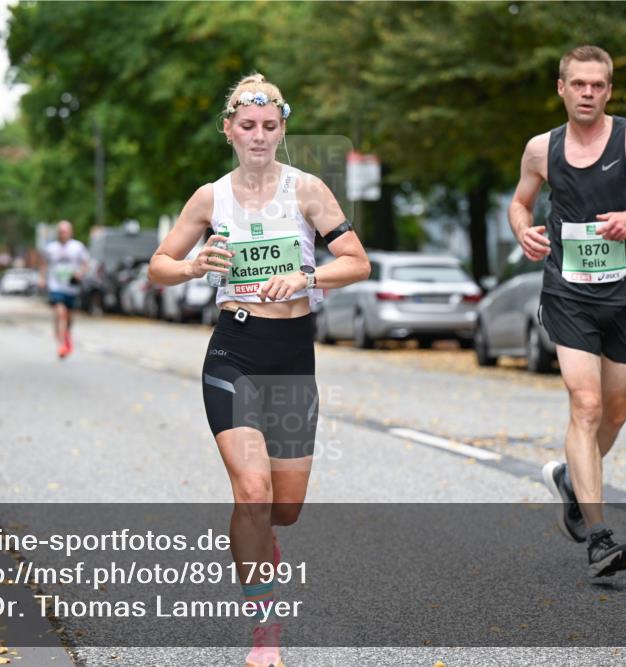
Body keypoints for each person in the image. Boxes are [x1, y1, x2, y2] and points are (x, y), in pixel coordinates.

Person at [149, 73, 370, 667]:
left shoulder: (308, 191)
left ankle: (260, 539)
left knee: (285, 507)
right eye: (247, 126)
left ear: (281, 130)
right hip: (234, 352)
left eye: (270, 126)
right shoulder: (208, 197)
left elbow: (358, 262)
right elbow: (158, 266)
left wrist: (308, 276)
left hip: (293, 355)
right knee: (251, 491)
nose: (259, 136)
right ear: (229, 130)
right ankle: (264, 631)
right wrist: (195, 266)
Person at [508, 46, 626, 578]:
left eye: (598, 85)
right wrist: (523, 229)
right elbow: (520, 201)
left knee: (615, 411)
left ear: (609, 90)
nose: (588, 93)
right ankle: (599, 537)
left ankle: (569, 479)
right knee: (584, 405)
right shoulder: (541, 149)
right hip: (569, 293)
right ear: (561, 88)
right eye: (578, 84)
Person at [38, 220, 90, 359]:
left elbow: (86, 264)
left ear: (71, 232)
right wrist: (42, 278)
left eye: (65, 231)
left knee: (69, 317)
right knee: (60, 313)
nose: (63, 234)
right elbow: (43, 264)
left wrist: (80, 273)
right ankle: (62, 344)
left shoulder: (78, 247)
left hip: (71, 287)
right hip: (56, 285)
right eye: (61, 231)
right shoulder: (51, 248)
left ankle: (66, 335)